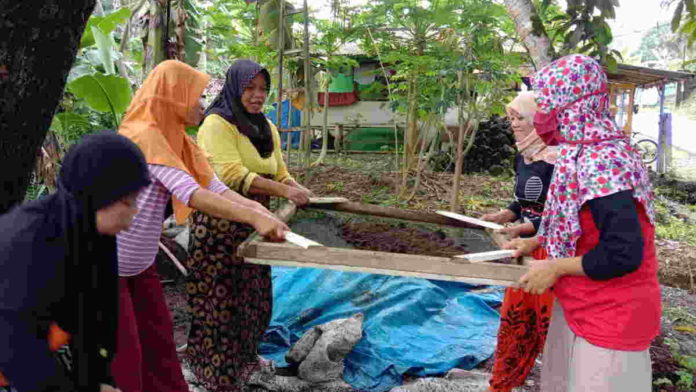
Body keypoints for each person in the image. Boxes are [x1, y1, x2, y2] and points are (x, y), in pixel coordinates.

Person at [112, 60, 288, 392]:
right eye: (195, 97)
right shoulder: (146, 137)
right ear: (173, 98)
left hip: (140, 265)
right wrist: (253, 216)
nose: (201, 105)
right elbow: (191, 193)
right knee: (126, 351)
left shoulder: (176, 139)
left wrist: (259, 210)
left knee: (159, 340)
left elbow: (215, 186)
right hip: (110, 266)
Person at [504, 54, 659, 392]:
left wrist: (556, 267)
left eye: (545, 105)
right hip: (579, 303)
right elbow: (573, 221)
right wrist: (536, 243)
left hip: (613, 318)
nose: (539, 117)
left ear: (568, 105)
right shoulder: (579, 152)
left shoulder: (604, 159)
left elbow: (623, 253)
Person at [184, 59, 312, 391]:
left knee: (255, 299)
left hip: (258, 226)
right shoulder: (216, 124)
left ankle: (246, 359)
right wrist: (283, 191)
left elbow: (279, 171)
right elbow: (230, 176)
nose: (258, 95)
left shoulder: (265, 127)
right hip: (220, 226)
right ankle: (213, 371)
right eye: (250, 88)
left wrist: (295, 188)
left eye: (263, 89)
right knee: (221, 303)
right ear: (234, 87)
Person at [0, 132, 151, 392]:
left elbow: (99, 316)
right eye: (128, 202)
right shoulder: (28, 243)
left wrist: (98, 379)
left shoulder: (94, 233)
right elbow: (17, 350)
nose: (134, 212)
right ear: (101, 196)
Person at [482, 91, 557, 392]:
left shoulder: (558, 159)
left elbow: (560, 216)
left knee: (547, 323)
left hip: (551, 251)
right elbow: (522, 200)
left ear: (539, 119)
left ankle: (555, 379)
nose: (513, 124)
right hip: (525, 248)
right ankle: (504, 383)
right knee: (516, 320)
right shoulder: (524, 155)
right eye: (511, 118)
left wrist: (525, 229)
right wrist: (504, 215)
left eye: (520, 118)